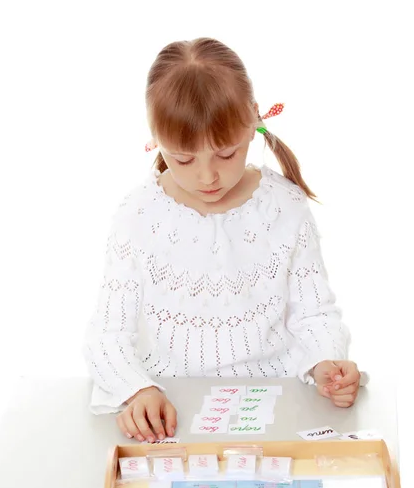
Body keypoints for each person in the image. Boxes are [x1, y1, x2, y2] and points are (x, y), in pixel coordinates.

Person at [83, 37, 364, 443]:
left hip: (277, 412)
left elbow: (314, 313)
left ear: (253, 123)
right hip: (173, 415)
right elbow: (107, 333)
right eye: (183, 159)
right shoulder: (138, 214)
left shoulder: (285, 206)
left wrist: (325, 363)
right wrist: (138, 390)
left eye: (226, 154)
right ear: (156, 138)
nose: (207, 177)